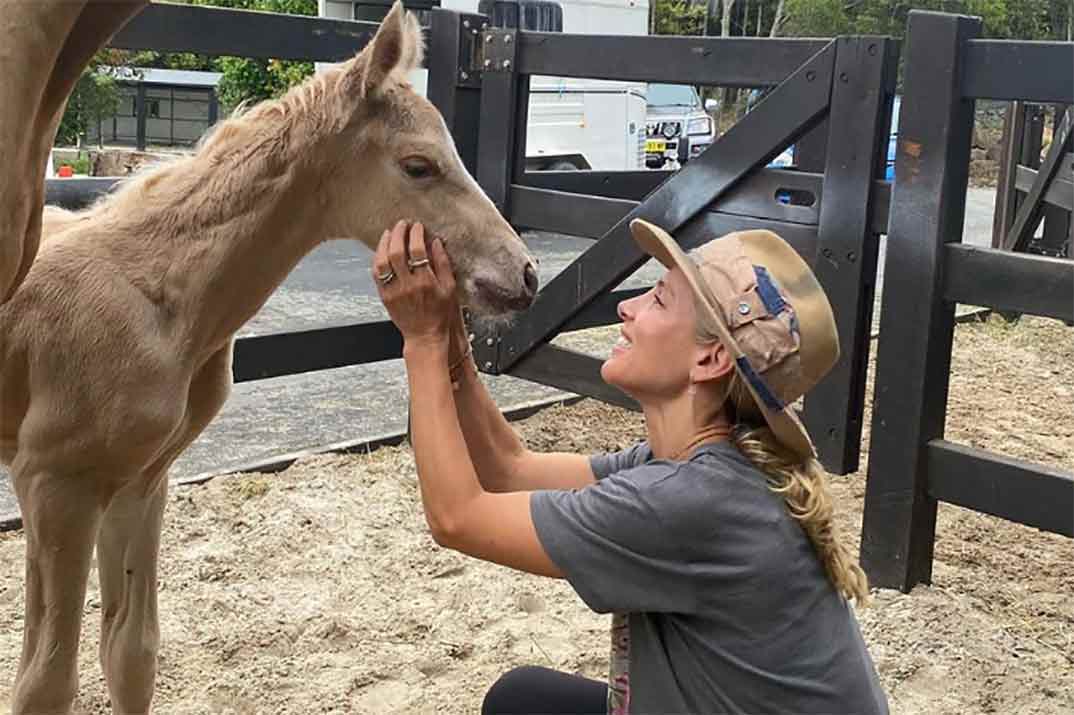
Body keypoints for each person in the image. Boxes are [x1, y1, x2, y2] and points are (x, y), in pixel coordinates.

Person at [372, 217, 889, 715]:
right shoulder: (699, 465)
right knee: (523, 699)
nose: (628, 307)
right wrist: (450, 335)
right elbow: (508, 470)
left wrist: (421, 342)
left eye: (659, 299)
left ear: (710, 360)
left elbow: (458, 518)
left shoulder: (693, 502)